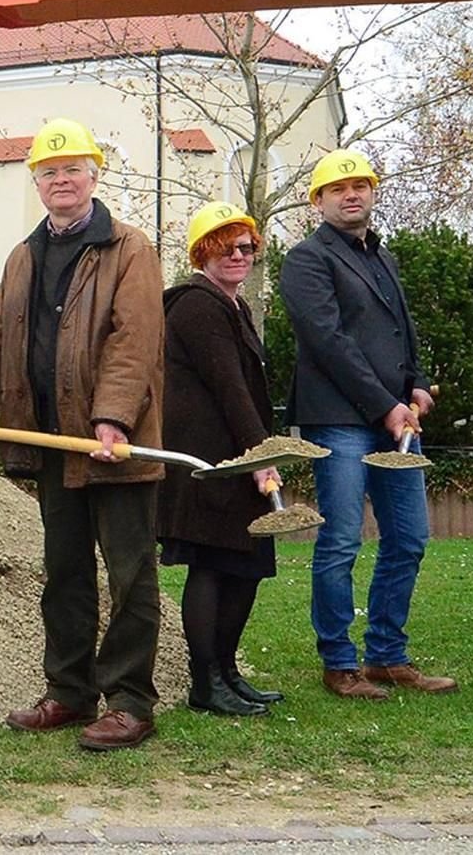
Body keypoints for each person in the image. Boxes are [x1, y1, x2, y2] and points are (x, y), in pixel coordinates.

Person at [0, 118, 166, 752]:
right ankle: (69, 693)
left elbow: (134, 341)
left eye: (73, 170)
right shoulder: (23, 256)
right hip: (51, 448)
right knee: (64, 574)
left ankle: (130, 702)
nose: (61, 180)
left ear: (94, 177)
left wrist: (113, 417)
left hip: (112, 446)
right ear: (37, 183)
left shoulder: (130, 250)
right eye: (50, 172)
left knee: (129, 575)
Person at [280, 149, 457, 701]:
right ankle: (339, 662)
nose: (351, 194)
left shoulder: (383, 257)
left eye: (360, 185)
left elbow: (404, 332)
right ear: (318, 201)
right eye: (338, 188)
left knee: (409, 537)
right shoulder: (306, 261)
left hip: (394, 419)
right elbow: (328, 342)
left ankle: (387, 655)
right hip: (340, 420)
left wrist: (418, 386)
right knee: (339, 540)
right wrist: (386, 405)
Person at [159, 202, 284, 716]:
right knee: (212, 566)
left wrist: (255, 452)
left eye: (246, 246)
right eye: (224, 246)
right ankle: (204, 682)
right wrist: (262, 456)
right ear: (201, 253)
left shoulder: (233, 305)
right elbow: (231, 390)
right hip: (209, 464)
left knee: (245, 564)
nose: (238, 254)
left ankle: (228, 672)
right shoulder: (197, 306)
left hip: (236, 457)